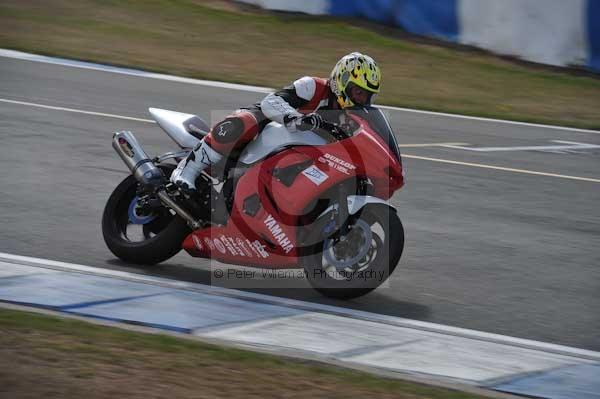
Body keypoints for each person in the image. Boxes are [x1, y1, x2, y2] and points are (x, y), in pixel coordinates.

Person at [170, 52, 381, 192]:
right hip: (271, 136)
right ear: (343, 81)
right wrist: (294, 118)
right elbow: (271, 101)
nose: (362, 99)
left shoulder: (353, 119)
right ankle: (186, 170)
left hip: (300, 160)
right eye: (358, 92)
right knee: (245, 121)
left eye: (367, 95)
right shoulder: (313, 87)